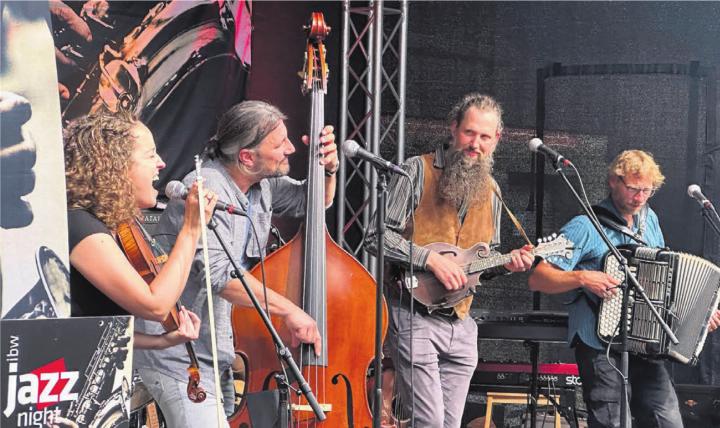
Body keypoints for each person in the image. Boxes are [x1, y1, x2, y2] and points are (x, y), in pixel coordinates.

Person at [134, 100, 339, 426]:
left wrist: (326, 169)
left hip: (215, 353)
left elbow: (310, 201)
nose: (290, 149)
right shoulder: (206, 189)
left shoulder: (263, 184)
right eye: (279, 144)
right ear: (247, 157)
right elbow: (218, 275)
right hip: (178, 354)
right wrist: (289, 310)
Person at [365, 93, 534, 427]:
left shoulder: (493, 190)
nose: (476, 144)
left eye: (485, 137)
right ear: (453, 128)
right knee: (429, 423)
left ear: (496, 140)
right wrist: (430, 259)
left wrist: (506, 264)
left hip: (461, 323)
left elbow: (483, 264)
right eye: (470, 133)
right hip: (414, 315)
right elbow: (375, 236)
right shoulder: (417, 170)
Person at [528, 149, 720, 427]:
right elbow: (538, 277)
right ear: (613, 182)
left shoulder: (649, 221)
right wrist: (583, 277)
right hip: (601, 345)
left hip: (646, 346)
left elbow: (664, 284)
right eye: (633, 188)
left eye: (647, 190)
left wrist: (699, 319)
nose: (640, 197)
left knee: (667, 420)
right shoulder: (585, 226)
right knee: (613, 423)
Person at [64, 108, 217, 348]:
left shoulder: (114, 225)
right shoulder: (80, 224)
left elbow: (91, 328)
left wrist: (160, 342)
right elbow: (155, 305)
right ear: (115, 165)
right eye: (150, 155)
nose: (161, 163)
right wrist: (190, 229)